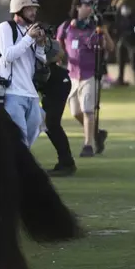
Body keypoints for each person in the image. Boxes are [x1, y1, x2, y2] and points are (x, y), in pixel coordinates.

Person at [57, 0, 115, 157]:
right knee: (76, 112)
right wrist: (58, 59)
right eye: (85, 5)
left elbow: (110, 47)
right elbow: (59, 44)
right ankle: (97, 133)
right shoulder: (67, 26)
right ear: (77, 7)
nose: (89, 8)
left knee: (88, 110)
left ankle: (88, 145)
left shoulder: (95, 27)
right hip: (72, 74)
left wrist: (104, 32)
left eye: (91, 5)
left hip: (90, 74)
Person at [0, 0, 47, 147]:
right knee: (18, 140)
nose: (34, 12)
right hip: (11, 93)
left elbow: (41, 60)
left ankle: (19, 168)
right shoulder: (5, 28)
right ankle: (16, 170)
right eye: (29, 8)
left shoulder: (28, 32)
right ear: (18, 9)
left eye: (35, 9)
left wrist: (41, 45)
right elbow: (9, 55)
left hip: (31, 94)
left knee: (29, 140)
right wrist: (29, 38)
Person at [40, 35, 77, 176]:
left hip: (58, 82)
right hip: (49, 85)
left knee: (51, 123)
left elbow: (60, 53)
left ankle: (67, 163)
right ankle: (65, 161)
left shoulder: (47, 41)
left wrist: (43, 58)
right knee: (48, 124)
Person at [114, 5, 135, 86]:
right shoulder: (120, 19)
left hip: (132, 42)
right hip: (123, 40)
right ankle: (120, 78)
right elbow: (117, 30)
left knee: (133, 60)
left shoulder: (133, 18)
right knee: (120, 59)